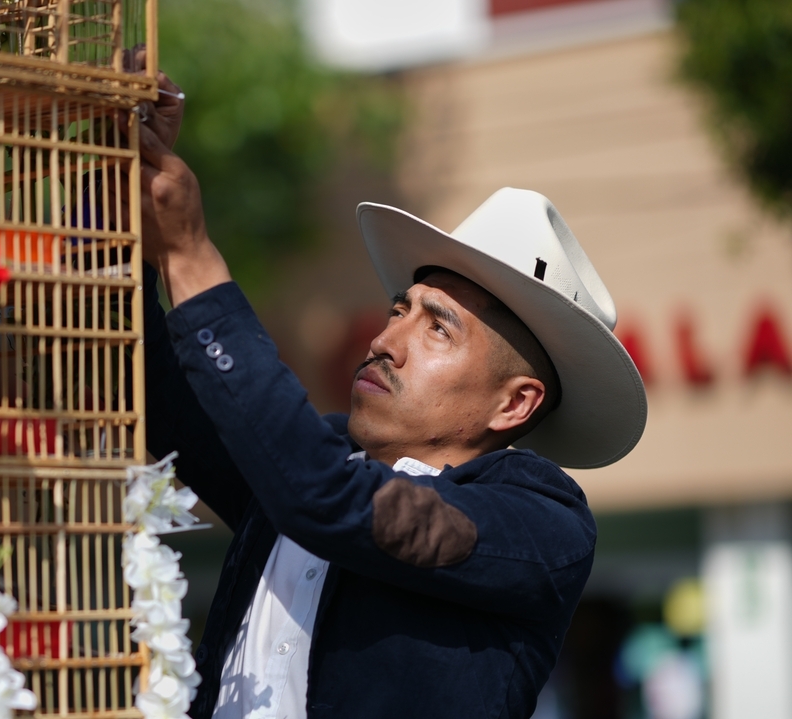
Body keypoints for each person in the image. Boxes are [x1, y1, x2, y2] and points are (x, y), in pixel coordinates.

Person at [134, 73, 646, 718]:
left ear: (514, 404)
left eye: (438, 328)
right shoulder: (307, 459)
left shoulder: (542, 522)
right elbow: (145, 375)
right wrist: (114, 180)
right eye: (398, 310)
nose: (384, 341)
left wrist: (191, 258)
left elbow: (324, 495)